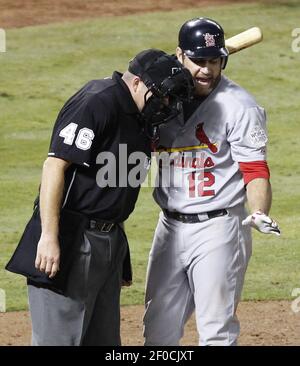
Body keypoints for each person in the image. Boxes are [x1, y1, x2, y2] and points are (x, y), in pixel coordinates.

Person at [26, 48, 194, 346]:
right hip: (70, 238)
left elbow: (113, 191)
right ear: (137, 83)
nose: (166, 105)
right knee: (60, 341)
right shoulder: (98, 101)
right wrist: (49, 237)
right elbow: (54, 166)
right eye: (163, 95)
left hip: (108, 241)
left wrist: (117, 248)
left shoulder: (140, 116)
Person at [143, 18, 281, 346]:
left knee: (216, 330)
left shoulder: (240, 106)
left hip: (219, 229)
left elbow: (256, 170)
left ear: (223, 60)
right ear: (180, 57)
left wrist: (259, 210)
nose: (207, 70)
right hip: (169, 228)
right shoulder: (161, 97)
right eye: (199, 61)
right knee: (156, 331)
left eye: (214, 61)